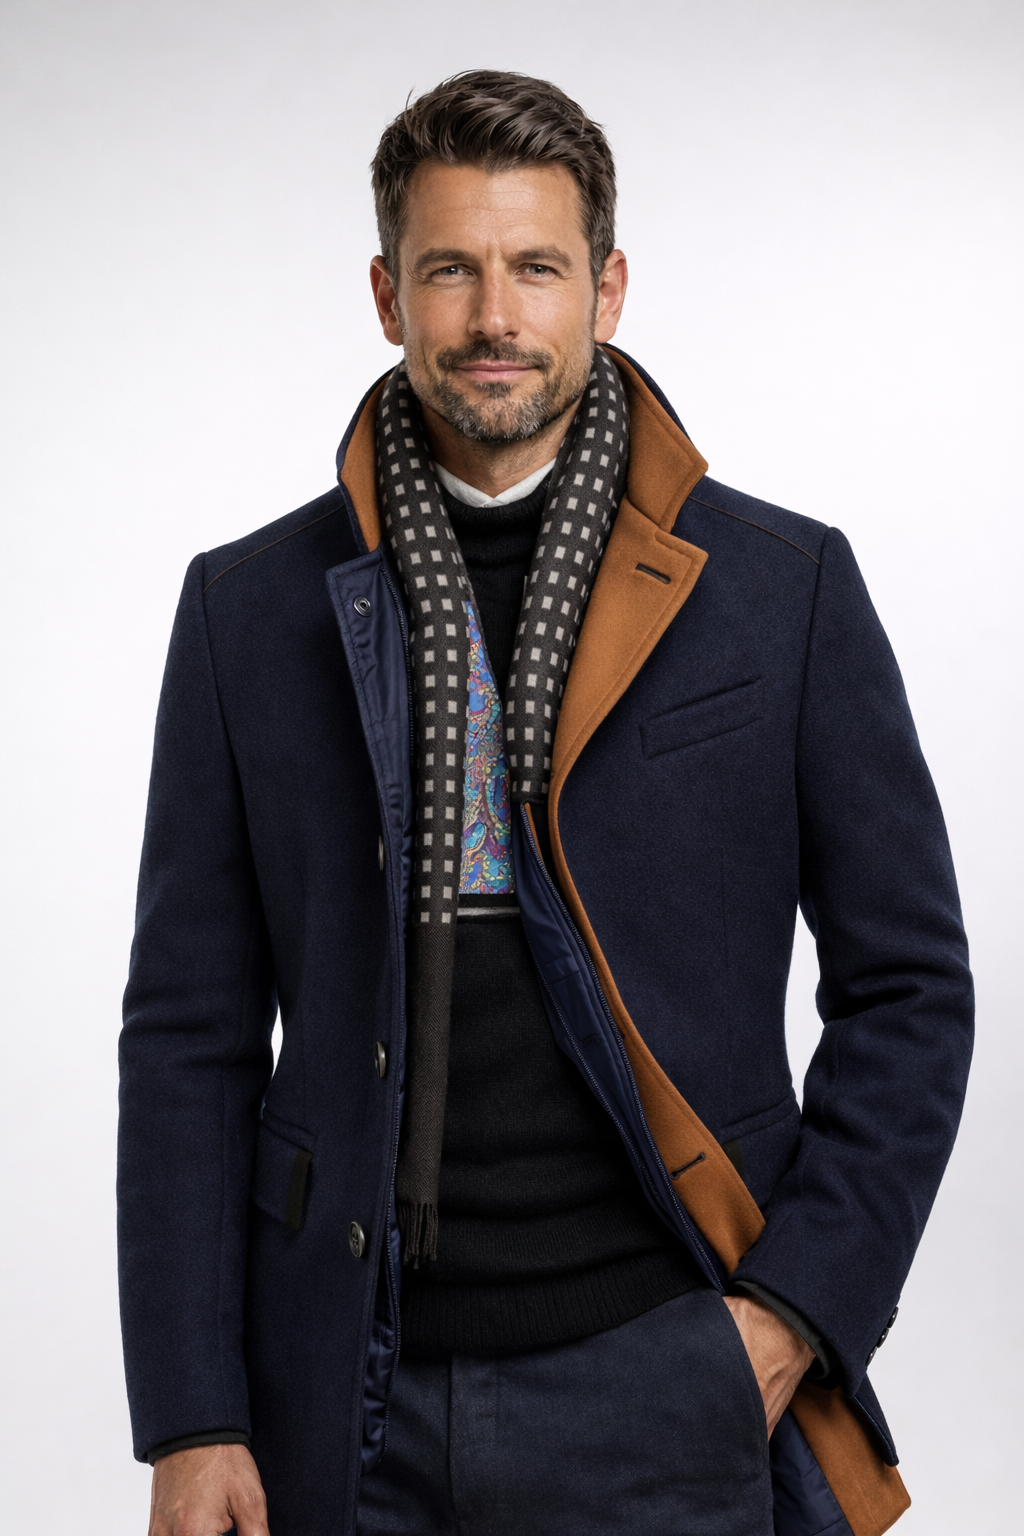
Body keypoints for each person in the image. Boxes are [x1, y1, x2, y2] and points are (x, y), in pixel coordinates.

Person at [118, 70, 974, 1536]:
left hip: (671, 1373)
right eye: (450, 269)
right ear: (387, 295)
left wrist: (790, 1315)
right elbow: (188, 1036)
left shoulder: (782, 593)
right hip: (342, 1396)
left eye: (537, 267)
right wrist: (193, 1416)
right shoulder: (247, 613)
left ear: (608, 288)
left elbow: (911, 988)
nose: (493, 316)